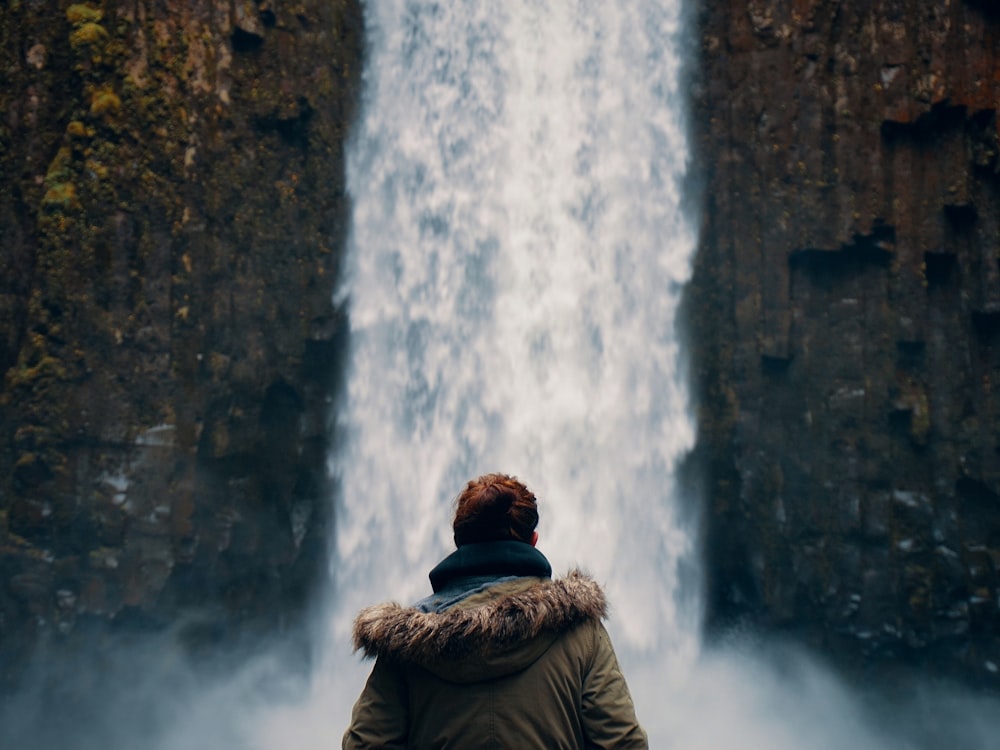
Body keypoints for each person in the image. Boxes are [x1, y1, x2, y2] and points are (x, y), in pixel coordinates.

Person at [343, 472, 648, 749]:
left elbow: (366, 744)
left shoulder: (406, 643)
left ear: (458, 541)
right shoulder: (581, 631)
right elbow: (622, 742)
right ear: (533, 541)